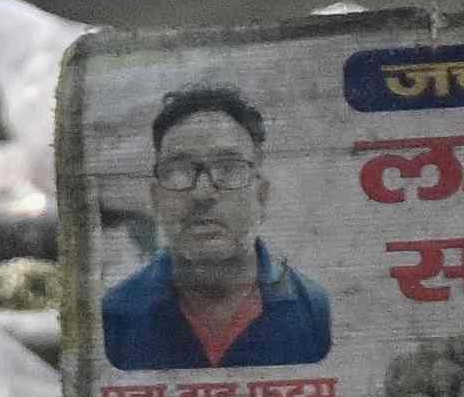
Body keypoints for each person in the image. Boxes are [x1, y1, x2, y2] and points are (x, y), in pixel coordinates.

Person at [97, 83, 341, 372]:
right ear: (156, 198)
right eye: (178, 172)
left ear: (261, 196)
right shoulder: (115, 317)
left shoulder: (316, 312)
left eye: (228, 169)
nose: (202, 194)